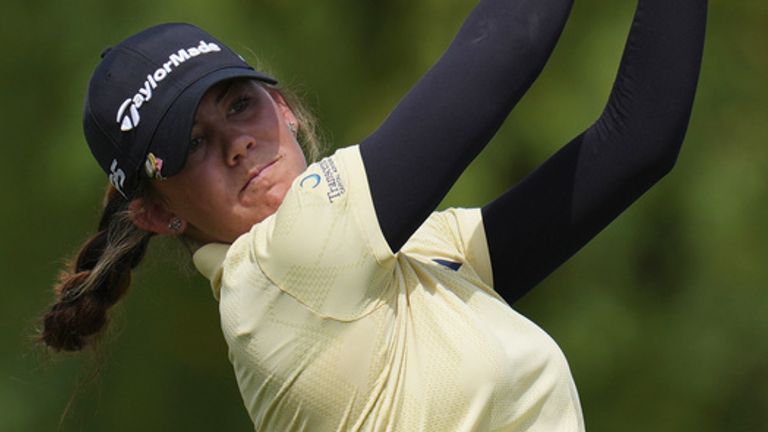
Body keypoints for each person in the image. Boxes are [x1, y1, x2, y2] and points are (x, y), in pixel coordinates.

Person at [40, 0, 707, 430]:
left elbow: (637, 143)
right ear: (157, 213)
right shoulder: (274, 275)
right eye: (191, 144)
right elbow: (513, 34)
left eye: (239, 105)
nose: (236, 144)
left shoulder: (418, 254)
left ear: (283, 107)